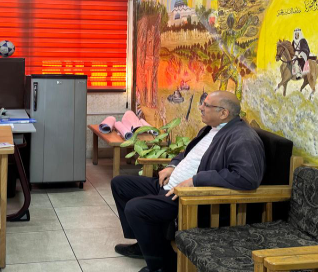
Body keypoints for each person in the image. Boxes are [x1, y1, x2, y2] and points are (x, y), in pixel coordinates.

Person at [111, 91, 265, 272]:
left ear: (224, 113)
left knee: (136, 208)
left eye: (206, 105)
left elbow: (247, 177)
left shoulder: (242, 138)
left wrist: (196, 181)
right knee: (120, 184)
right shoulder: (211, 128)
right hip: (170, 185)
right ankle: (143, 244)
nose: (200, 107)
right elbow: (188, 153)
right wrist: (172, 166)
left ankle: (163, 266)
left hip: (188, 198)